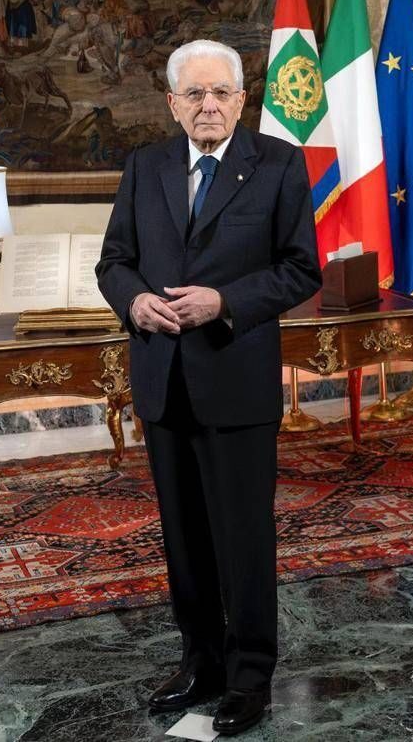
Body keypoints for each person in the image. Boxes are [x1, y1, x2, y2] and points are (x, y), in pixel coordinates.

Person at [95, 39, 322, 736]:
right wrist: (134, 302)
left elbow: (300, 269)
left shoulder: (278, 165)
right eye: (194, 94)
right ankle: (201, 661)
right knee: (184, 537)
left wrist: (224, 302)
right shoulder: (145, 166)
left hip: (236, 379)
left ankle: (250, 674)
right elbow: (114, 262)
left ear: (242, 99)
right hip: (163, 380)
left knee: (243, 537)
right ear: (173, 104)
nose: (209, 105)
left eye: (221, 92)